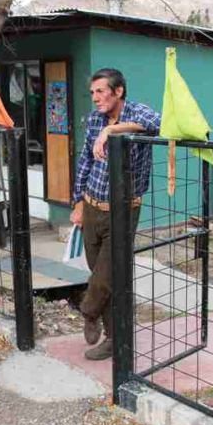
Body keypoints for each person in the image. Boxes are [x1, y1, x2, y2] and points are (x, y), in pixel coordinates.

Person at [71, 68, 160, 361]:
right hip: (92, 206)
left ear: (118, 91)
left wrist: (113, 130)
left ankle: (88, 311)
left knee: (106, 276)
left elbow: (160, 124)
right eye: (92, 92)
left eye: (100, 91)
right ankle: (113, 338)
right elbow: (85, 160)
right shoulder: (94, 118)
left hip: (123, 210)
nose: (95, 98)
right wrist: (78, 202)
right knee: (102, 275)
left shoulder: (137, 111)